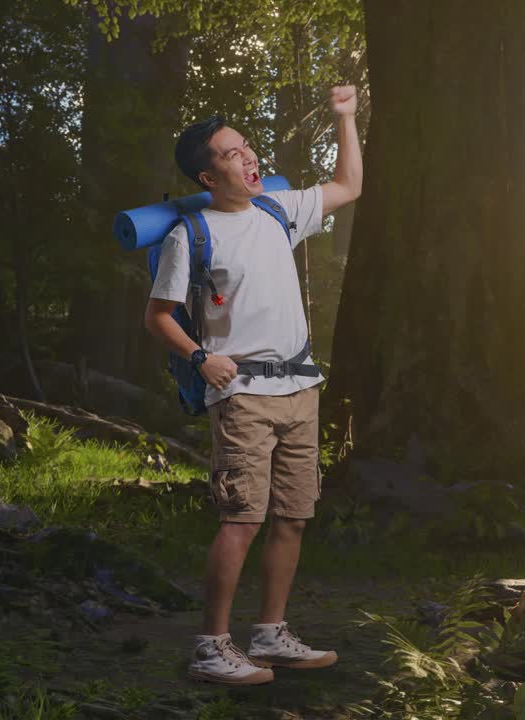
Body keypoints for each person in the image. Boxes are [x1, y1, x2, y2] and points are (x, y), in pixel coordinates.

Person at [144, 86, 362, 686]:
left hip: (300, 386)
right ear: (206, 174)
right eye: (232, 153)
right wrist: (199, 358)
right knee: (242, 519)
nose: (248, 157)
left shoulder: (277, 209)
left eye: (247, 147)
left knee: (292, 516)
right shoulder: (189, 235)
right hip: (242, 395)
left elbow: (348, 186)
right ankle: (211, 646)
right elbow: (158, 314)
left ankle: (269, 635)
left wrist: (346, 117)